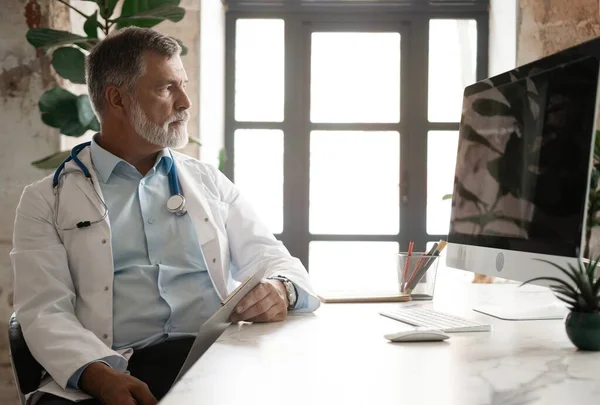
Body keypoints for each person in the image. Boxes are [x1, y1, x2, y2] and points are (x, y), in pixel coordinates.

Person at [11, 27, 320, 405]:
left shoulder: (208, 182)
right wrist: (98, 376)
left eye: (184, 85)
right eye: (166, 88)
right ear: (117, 99)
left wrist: (281, 290)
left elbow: (279, 262)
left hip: (210, 363)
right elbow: (44, 312)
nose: (186, 101)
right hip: (109, 368)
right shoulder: (46, 199)